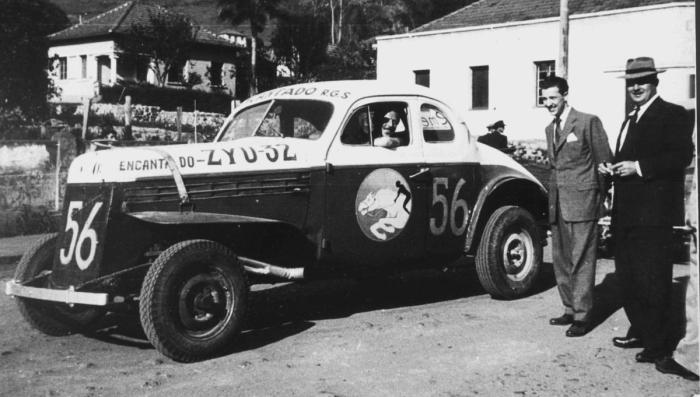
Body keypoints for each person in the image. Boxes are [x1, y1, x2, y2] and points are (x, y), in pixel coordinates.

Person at [599, 57, 694, 364]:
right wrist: (612, 167)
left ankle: (660, 343)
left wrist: (638, 168)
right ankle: (640, 329)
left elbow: (681, 156)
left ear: (655, 82)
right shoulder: (630, 118)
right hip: (627, 214)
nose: (636, 87)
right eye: (631, 82)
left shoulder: (672, 114)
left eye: (642, 81)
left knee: (653, 279)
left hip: (654, 216)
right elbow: (626, 157)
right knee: (629, 277)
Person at [542, 75, 612, 337]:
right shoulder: (550, 129)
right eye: (545, 98)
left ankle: (583, 316)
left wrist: (597, 198)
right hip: (558, 203)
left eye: (553, 98)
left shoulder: (586, 121)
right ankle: (570, 308)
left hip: (583, 202)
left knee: (582, 260)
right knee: (561, 259)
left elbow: (604, 163)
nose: (549, 103)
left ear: (565, 96)